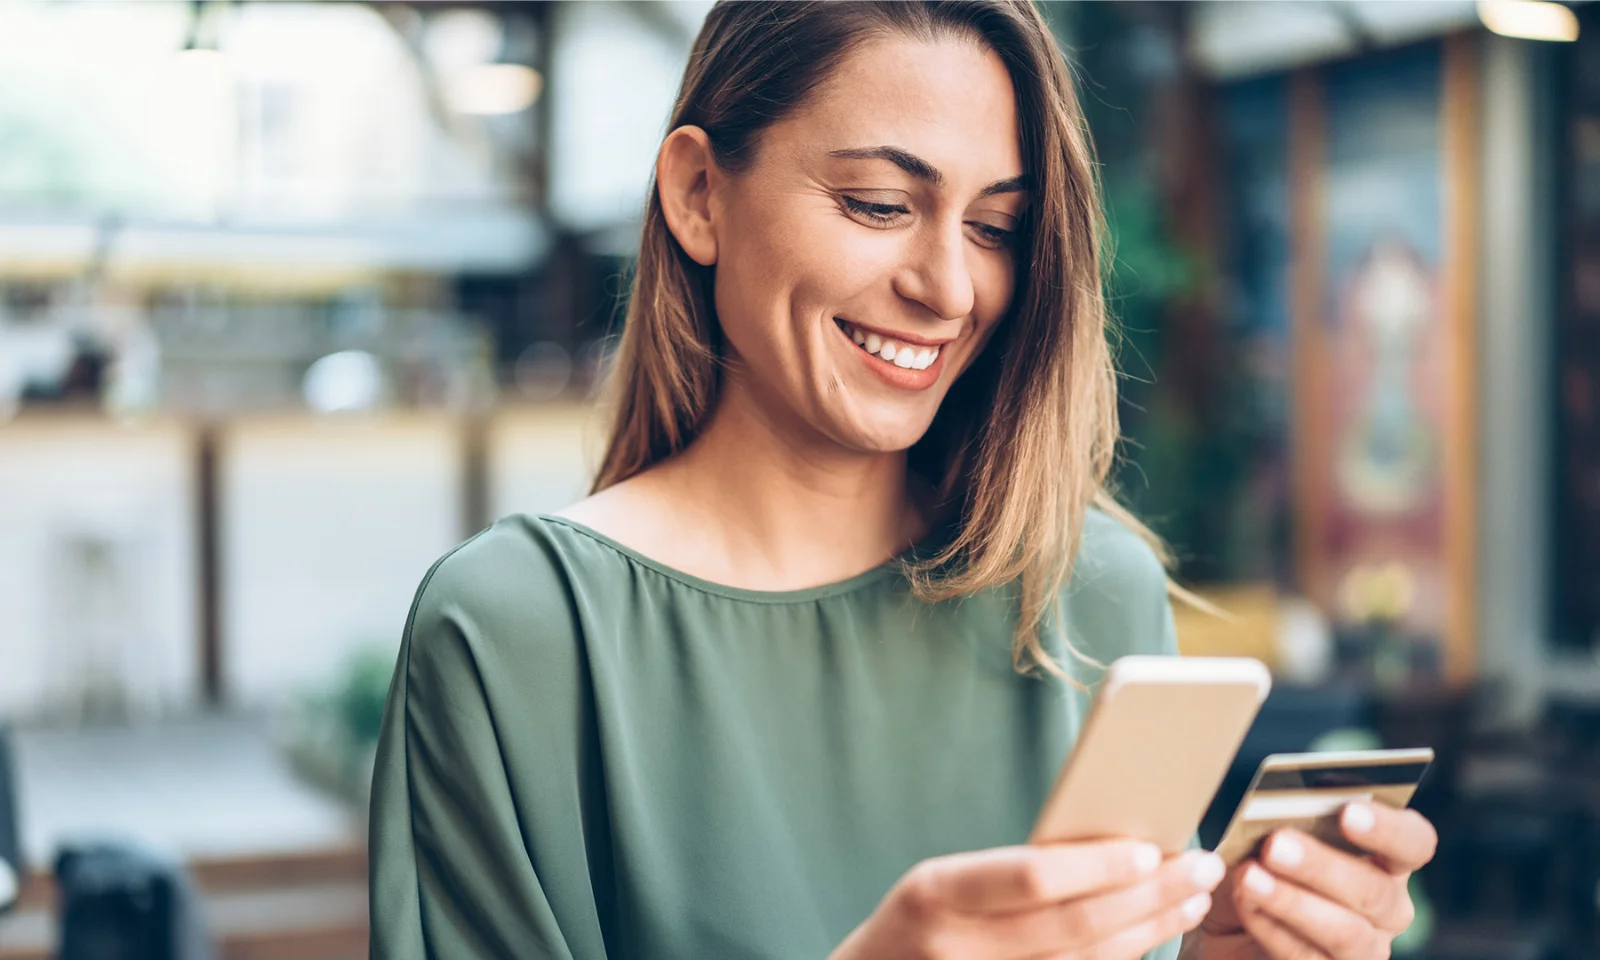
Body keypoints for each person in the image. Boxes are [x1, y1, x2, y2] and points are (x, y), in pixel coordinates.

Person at [368, 3, 1438, 958]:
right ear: (699, 195)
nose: (947, 286)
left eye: (995, 228)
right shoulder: (519, 631)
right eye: (880, 204)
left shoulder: (1085, 591)